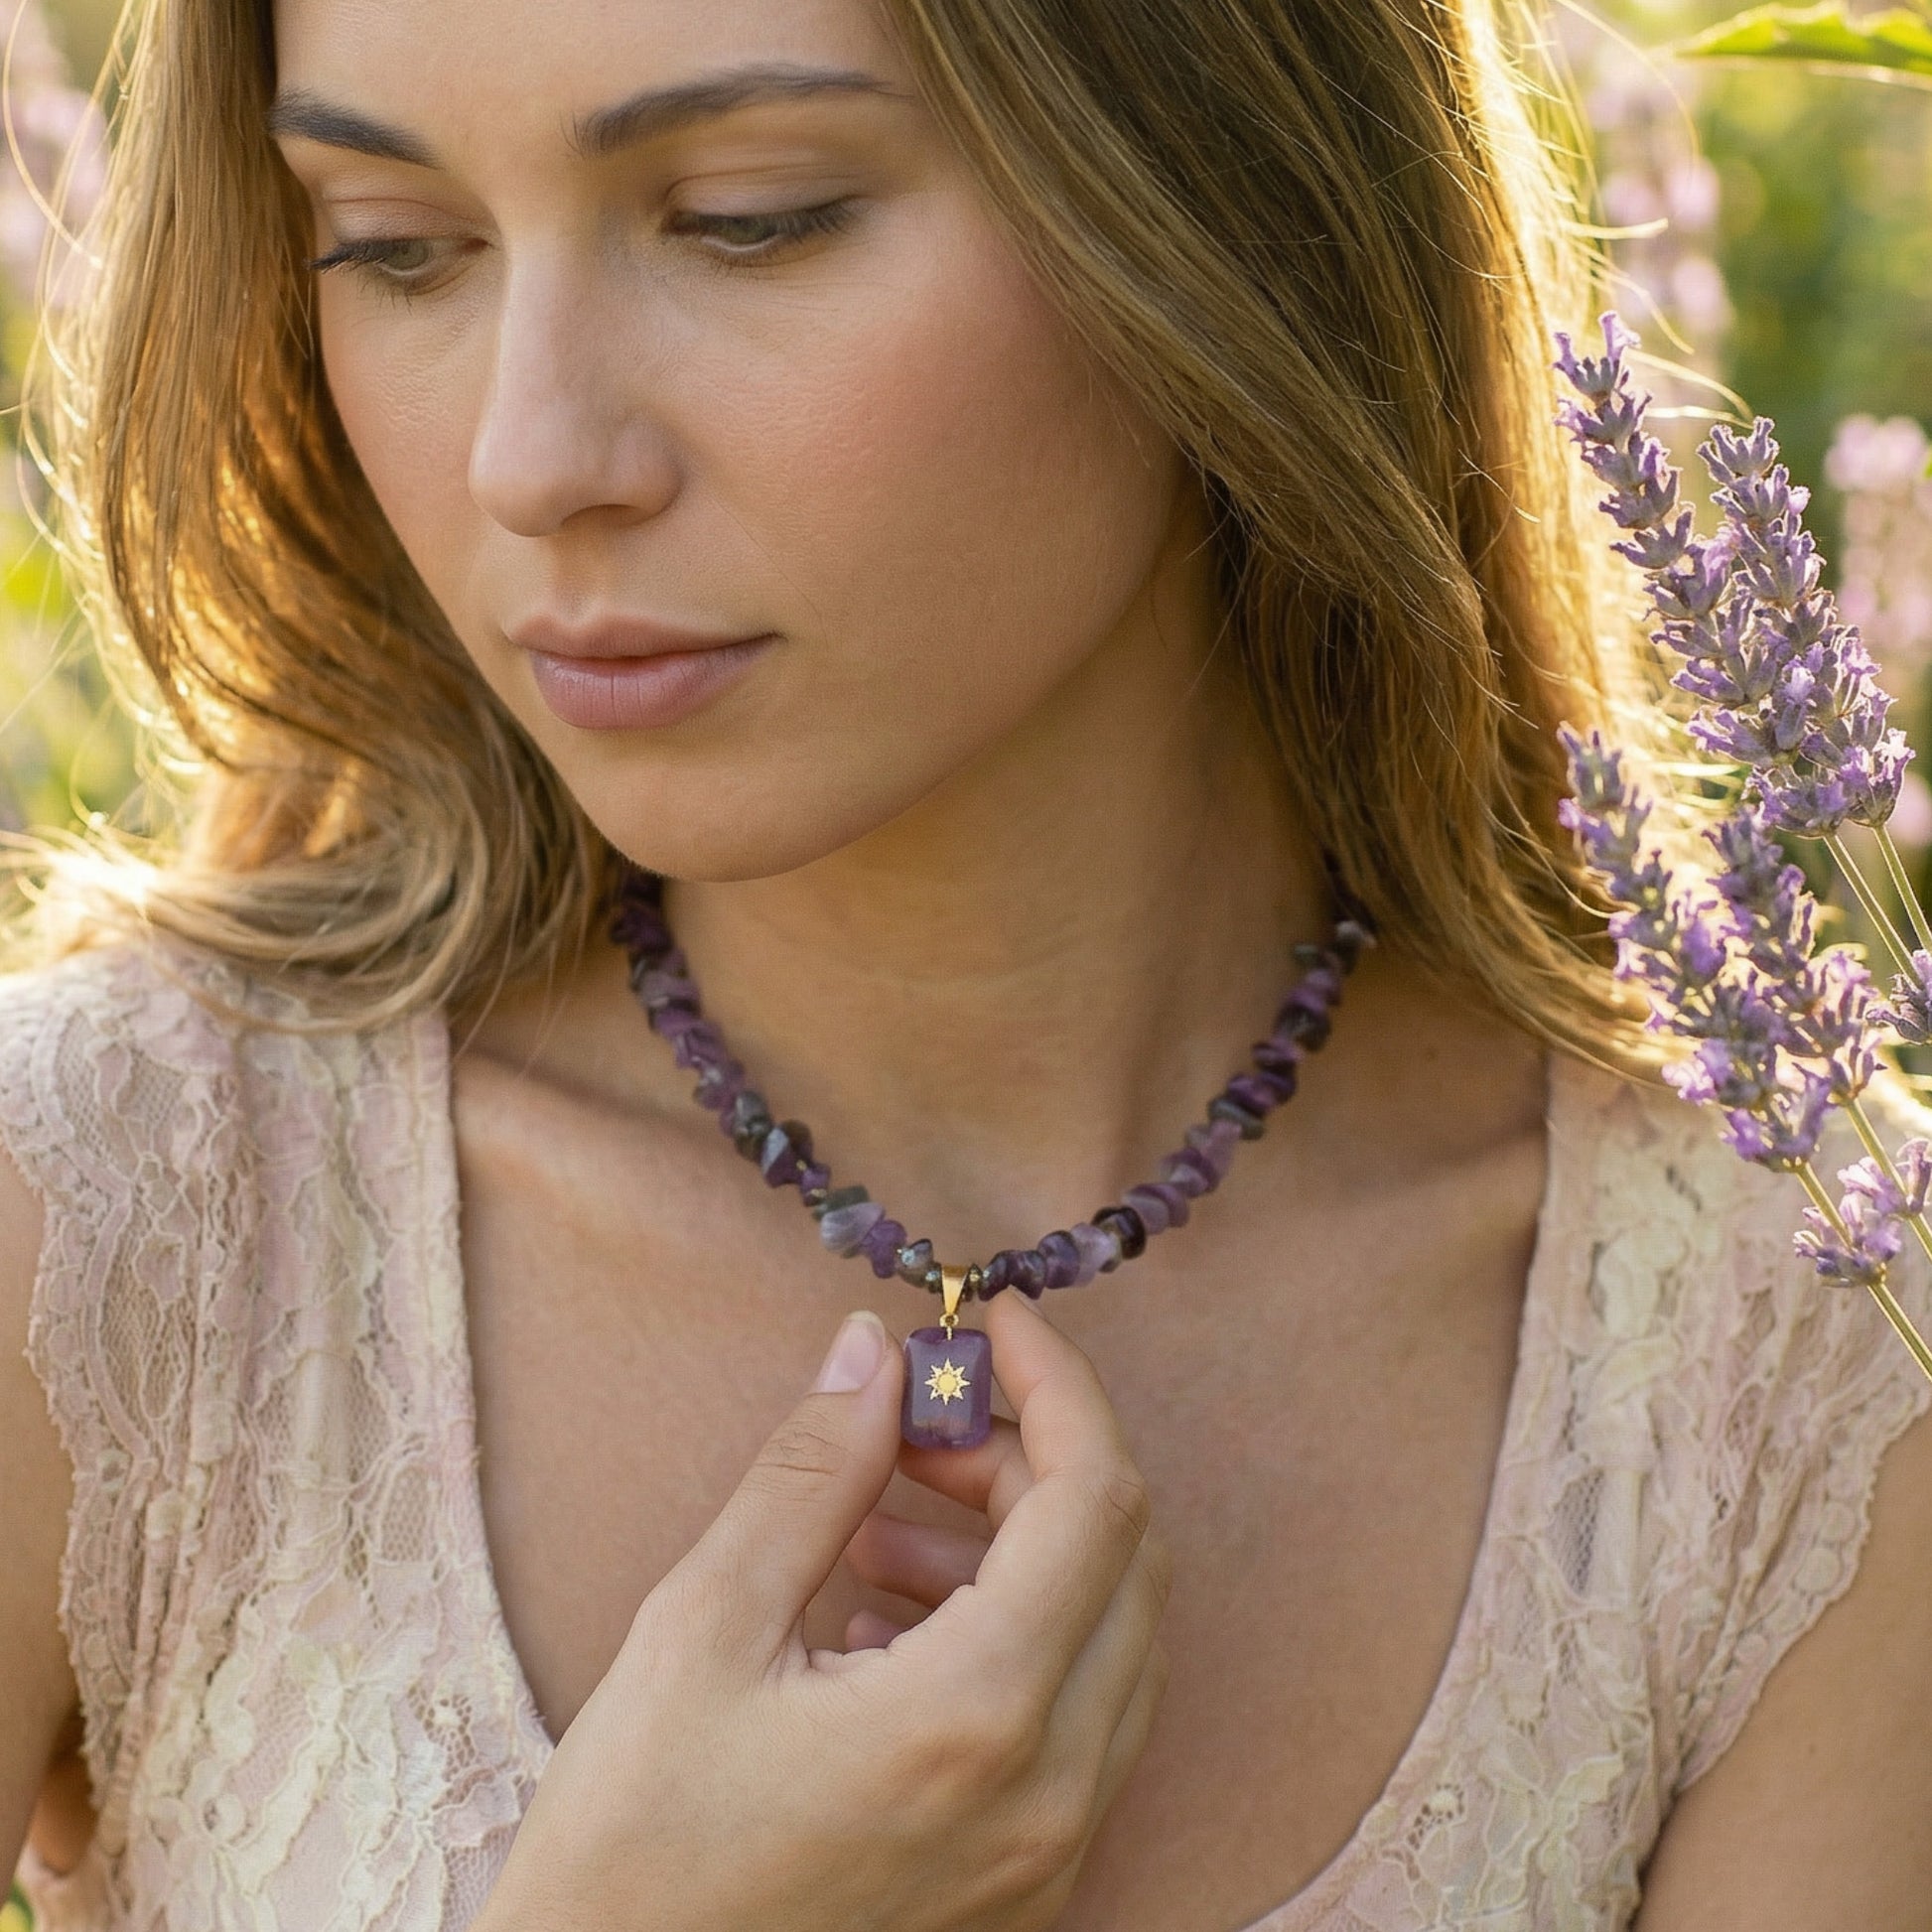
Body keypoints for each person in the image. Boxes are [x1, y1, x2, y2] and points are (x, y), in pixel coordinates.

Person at [2, 0, 1929, 1924]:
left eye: (748, 218)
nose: (531, 455)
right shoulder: (109, 1219)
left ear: (1234, 202)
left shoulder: (1801, 1361)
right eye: (394, 246)